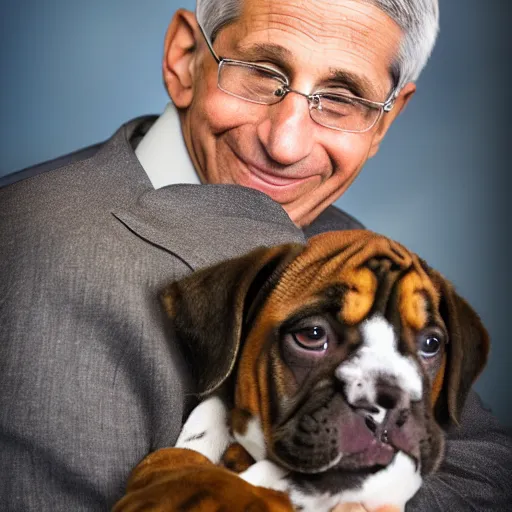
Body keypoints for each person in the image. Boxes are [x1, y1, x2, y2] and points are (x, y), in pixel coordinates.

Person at [0, 0, 510, 511]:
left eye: (341, 98)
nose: (285, 143)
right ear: (184, 58)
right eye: (261, 73)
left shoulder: (345, 244)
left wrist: (323, 495)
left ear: (383, 122)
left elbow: (488, 464)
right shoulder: (37, 252)